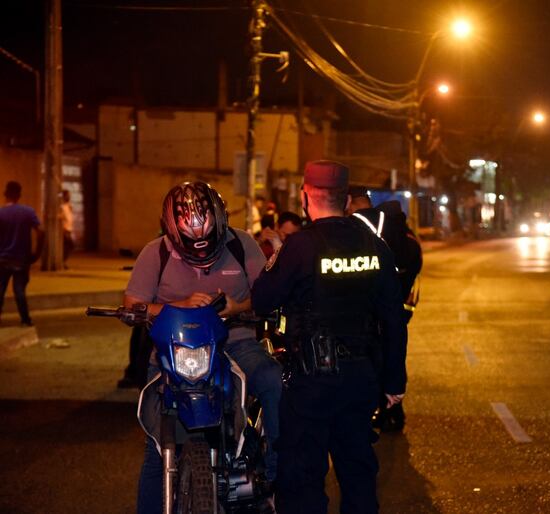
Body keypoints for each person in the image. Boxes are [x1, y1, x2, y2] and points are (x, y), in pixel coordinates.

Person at [250, 160, 407, 514]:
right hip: (360, 378)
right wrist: (394, 381)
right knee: (358, 472)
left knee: (303, 478)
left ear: (306, 196)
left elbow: (262, 300)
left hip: (311, 381)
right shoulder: (375, 245)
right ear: (345, 200)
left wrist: (277, 253)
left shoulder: (300, 247)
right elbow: (393, 319)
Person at [124, 182, 282, 514]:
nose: (199, 256)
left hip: (235, 346)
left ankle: (275, 473)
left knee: (272, 381)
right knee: (156, 447)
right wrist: (178, 306)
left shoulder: (242, 244)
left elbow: (267, 295)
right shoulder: (156, 252)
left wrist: (235, 307)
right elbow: (134, 304)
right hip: (174, 355)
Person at [349, 194, 423, 432]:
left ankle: (382, 409)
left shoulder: (377, 237)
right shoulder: (411, 239)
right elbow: (415, 270)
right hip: (403, 307)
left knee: (378, 358)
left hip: (380, 310)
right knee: (393, 355)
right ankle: (393, 410)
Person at [0, 181, 44, 327]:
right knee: (19, 290)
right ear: (19, 195)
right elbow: (40, 232)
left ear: (5, 194)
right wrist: (37, 253)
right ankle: (25, 320)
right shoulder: (28, 212)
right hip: (21, 259)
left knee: (0, 290)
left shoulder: (1, 213)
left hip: (3, 259)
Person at [60, 189, 74, 268]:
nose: (69, 197)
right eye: (67, 195)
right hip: (64, 229)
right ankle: (62, 262)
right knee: (69, 246)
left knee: (68, 246)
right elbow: (60, 216)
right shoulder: (62, 206)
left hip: (69, 229)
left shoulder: (69, 206)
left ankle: (63, 261)